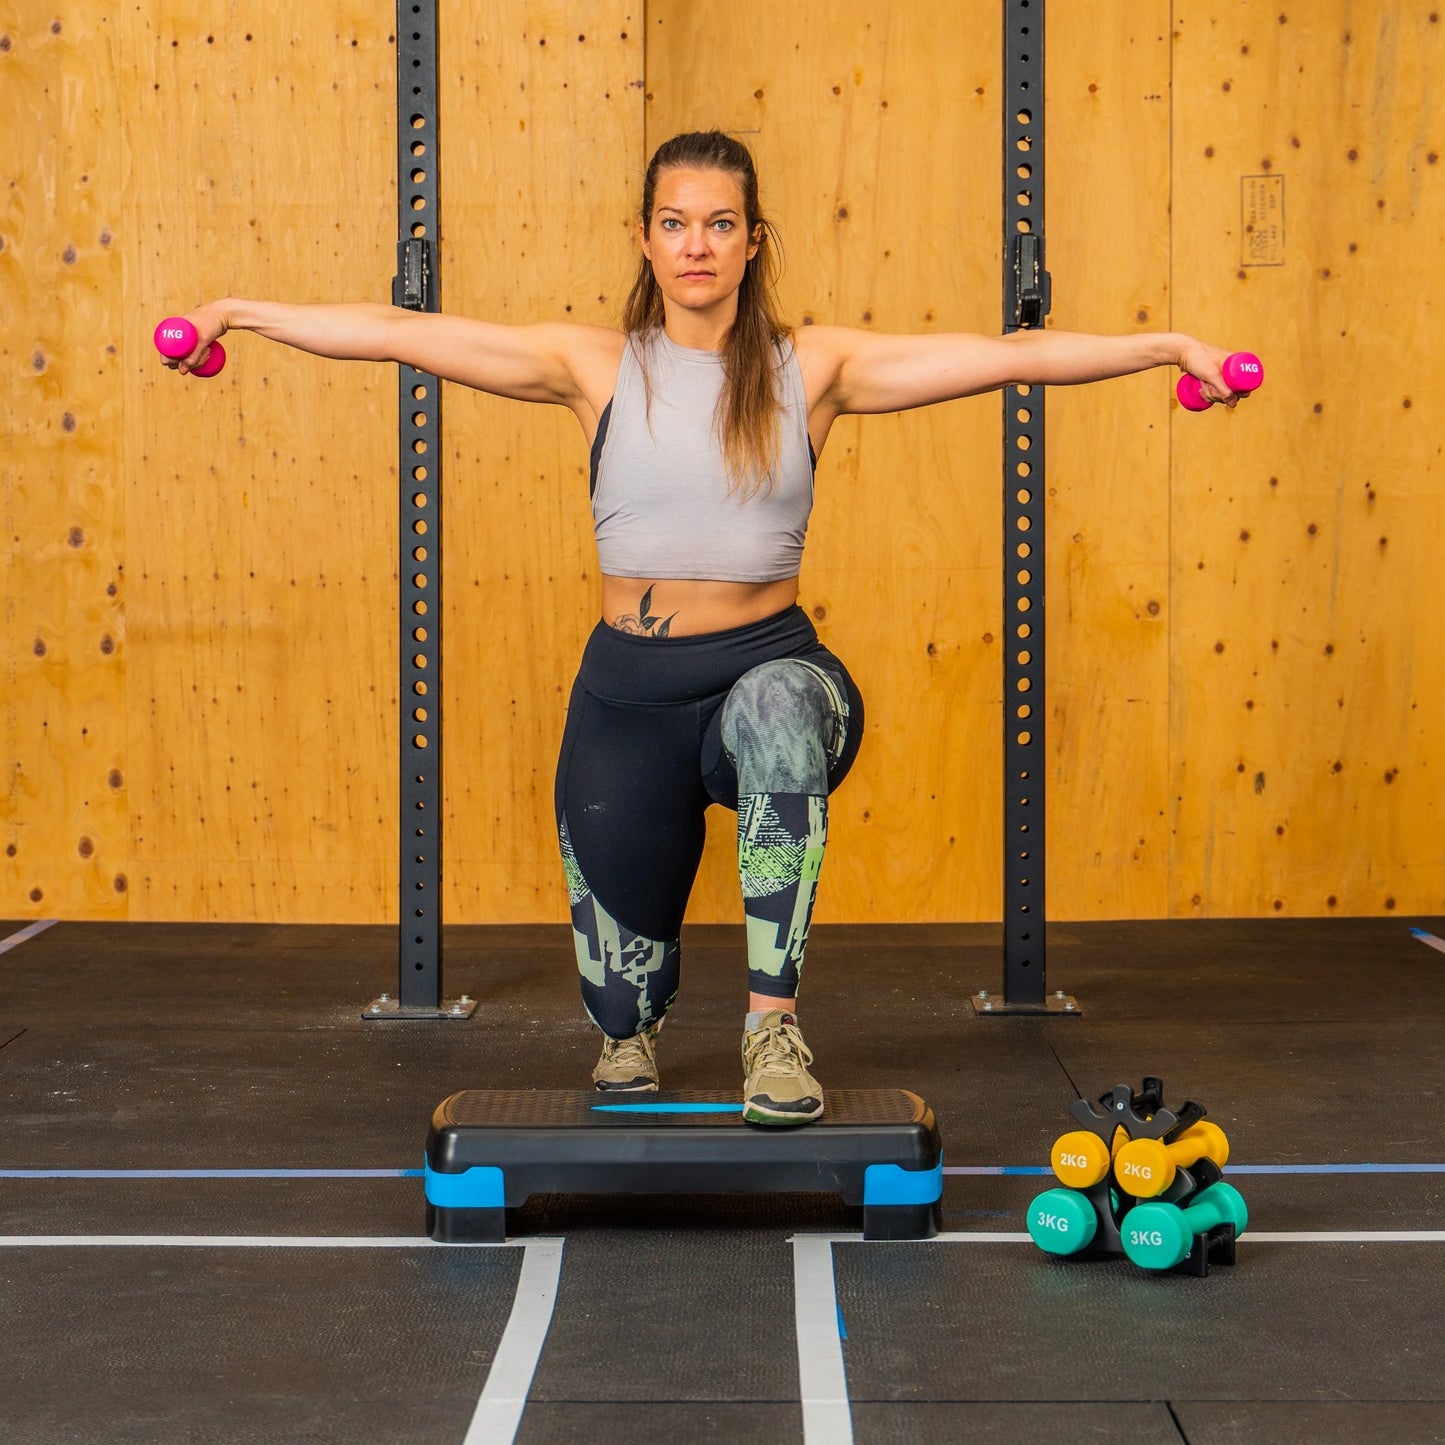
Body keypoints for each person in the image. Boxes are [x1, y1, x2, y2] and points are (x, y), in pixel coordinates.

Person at [165, 129, 1248, 1126]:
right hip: (626, 695)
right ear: (644, 238)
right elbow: (401, 334)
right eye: (675, 222)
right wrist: (238, 314)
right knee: (618, 1004)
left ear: (750, 240)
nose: (696, 244)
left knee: (776, 709)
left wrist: (1166, 346)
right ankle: (632, 1017)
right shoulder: (591, 365)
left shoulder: (811, 368)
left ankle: (771, 1028)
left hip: (768, 673)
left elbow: (1007, 355)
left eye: (719, 223)